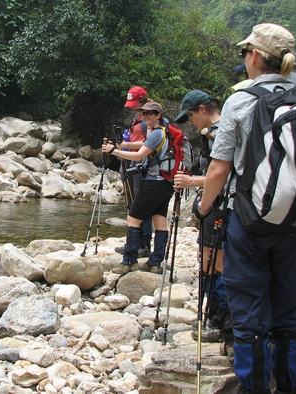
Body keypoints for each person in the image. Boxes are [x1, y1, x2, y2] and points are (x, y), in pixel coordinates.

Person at [195, 24, 296, 394]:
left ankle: (252, 386)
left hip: (248, 220)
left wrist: (204, 208)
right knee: (287, 313)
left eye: (244, 53)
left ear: (254, 56)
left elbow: (219, 168)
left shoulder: (240, 100)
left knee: (249, 314)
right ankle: (290, 386)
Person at [173, 90, 232, 349]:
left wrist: (192, 183)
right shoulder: (218, 132)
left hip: (219, 206)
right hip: (221, 204)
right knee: (210, 260)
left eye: (190, 116)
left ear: (203, 109)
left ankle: (218, 319)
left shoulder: (221, 133)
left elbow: (223, 175)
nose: (191, 122)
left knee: (214, 262)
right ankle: (215, 316)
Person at [102, 101, 174, 275]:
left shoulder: (157, 133)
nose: (146, 116)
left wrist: (114, 152)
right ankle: (155, 263)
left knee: (133, 219)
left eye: (150, 114)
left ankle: (129, 261)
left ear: (158, 115)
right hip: (165, 183)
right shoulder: (165, 131)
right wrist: (124, 145)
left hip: (153, 183)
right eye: (143, 113)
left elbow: (140, 154)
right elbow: (144, 146)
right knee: (160, 220)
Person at [115, 86, 154, 257]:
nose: (131, 107)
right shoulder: (139, 115)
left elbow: (149, 143)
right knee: (133, 204)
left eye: (134, 103)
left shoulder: (150, 117)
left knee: (140, 205)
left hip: (142, 166)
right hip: (132, 164)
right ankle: (133, 242)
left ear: (142, 100)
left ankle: (142, 245)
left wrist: (125, 145)